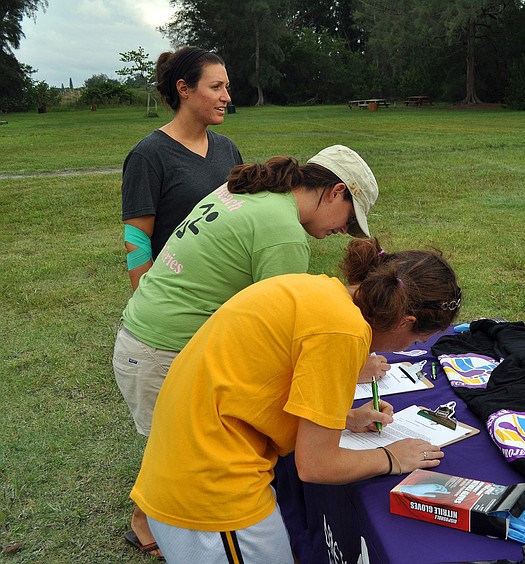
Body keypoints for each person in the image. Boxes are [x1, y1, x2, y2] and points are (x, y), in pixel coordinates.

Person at [114, 144, 382, 557]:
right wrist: (348, 371)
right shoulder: (284, 234)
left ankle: (154, 527)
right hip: (164, 351)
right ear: (336, 191)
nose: (344, 231)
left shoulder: (256, 194)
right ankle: (172, 538)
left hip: (144, 338)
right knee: (187, 472)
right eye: (350, 219)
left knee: (169, 460)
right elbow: (289, 337)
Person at [130, 238, 462, 563]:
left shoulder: (319, 291)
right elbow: (316, 465)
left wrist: (342, 418)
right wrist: (391, 457)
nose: (403, 350)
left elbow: (261, 381)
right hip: (211, 494)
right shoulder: (343, 331)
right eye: (416, 340)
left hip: (187, 461)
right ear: (406, 322)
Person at [122, 46, 243, 292]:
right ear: (184, 89)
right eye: (216, 87)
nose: (227, 97)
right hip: (179, 296)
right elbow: (137, 240)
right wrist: (145, 301)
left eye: (226, 87)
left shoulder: (227, 149)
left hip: (228, 291)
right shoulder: (148, 155)